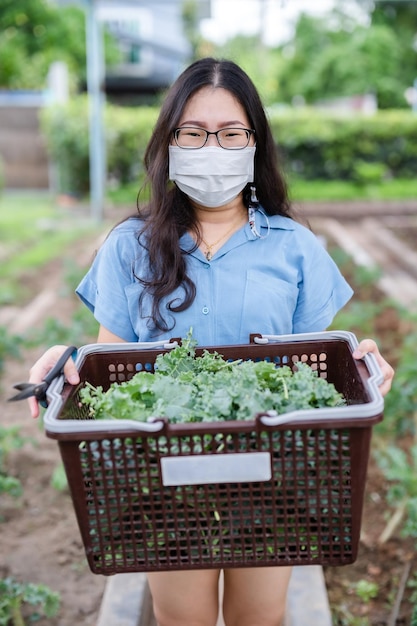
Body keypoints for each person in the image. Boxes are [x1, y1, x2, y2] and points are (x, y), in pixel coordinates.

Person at [28, 58, 394, 626]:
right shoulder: (131, 247)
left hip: (271, 480)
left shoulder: (294, 247)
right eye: (194, 133)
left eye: (230, 133)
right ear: (170, 143)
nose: (212, 146)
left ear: (254, 144)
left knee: (259, 619)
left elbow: (312, 374)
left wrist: (361, 371)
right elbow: (107, 368)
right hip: (166, 482)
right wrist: (67, 365)